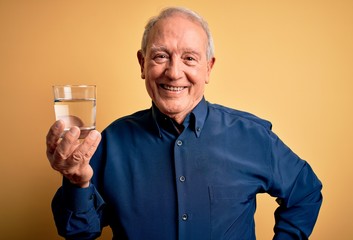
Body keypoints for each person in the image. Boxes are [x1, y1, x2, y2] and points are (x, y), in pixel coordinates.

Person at [46, 7, 323, 240]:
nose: (174, 72)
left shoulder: (252, 136)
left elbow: (306, 192)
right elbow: (79, 232)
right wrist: (76, 183)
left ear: (208, 68)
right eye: (160, 56)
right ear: (142, 64)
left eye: (189, 58)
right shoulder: (112, 141)